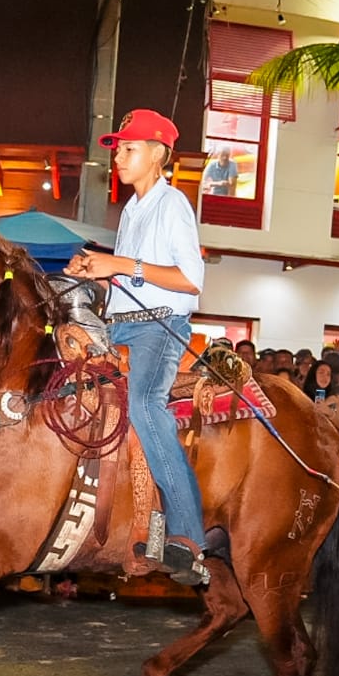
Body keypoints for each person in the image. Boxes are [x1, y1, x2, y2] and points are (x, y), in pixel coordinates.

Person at [66, 108, 207, 583]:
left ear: (156, 155)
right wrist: (96, 273)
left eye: (128, 148)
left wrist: (122, 264)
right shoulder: (131, 209)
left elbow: (190, 281)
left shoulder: (173, 205)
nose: (119, 158)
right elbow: (128, 279)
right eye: (119, 149)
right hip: (120, 325)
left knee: (146, 407)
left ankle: (189, 536)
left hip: (157, 329)